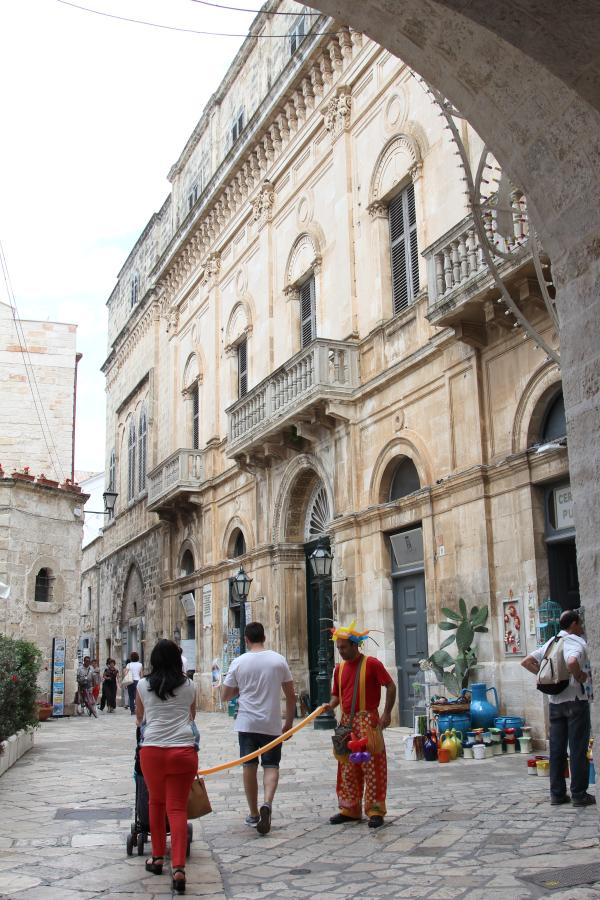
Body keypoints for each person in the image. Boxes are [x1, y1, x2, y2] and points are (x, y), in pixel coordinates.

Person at [221, 621, 295, 835]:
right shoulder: (278, 660)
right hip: (271, 724)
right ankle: (268, 803)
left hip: (246, 723)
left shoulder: (239, 662)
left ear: (246, 639)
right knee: (271, 765)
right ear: (264, 637)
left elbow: (225, 695)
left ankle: (253, 813)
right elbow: (291, 695)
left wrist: (239, 691)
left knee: (249, 767)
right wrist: (288, 722)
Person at [136, 639, 198, 894]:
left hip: (152, 751)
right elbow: (192, 716)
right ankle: (180, 868)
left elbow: (140, 718)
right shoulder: (190, 686)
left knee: (156, 803)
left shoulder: (142, 685)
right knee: (177, 808)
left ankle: (158, 857)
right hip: (183, 750)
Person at [325, 621, 396, 829]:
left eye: (344, 648)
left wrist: (387, 713)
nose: (341, 651)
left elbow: (390, 686)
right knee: (347, 768)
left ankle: (375, 810)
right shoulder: (339, 669)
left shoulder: (372, 664)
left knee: (373, 767)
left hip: (368, 721)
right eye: (338, 648)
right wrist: (329, 706)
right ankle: (349, 809)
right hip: (347, 722)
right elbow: (336, 697)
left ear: (355, 645)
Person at [521, 609, 595, 807]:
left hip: (555, 703)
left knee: (557, 750)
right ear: (573, 625)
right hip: (575, 700)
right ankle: (579, 794)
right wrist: (579, 676)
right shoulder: (573, 641)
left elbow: (526, 661)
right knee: (578, 748)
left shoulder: (551, 643)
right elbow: (571, 661)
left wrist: (547, 678)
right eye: (579, 624)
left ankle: (557, 794)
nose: (580, 627)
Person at [124, 651, 143, 716]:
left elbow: (126, 674)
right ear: (137, 657)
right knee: (137, 697)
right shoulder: (140, 664)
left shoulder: (128, 665)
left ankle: (132, 711)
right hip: (137, 681)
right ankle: (138, 709)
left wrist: (126, 683)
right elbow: (141, 675)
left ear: (131, 658)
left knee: (131, 697)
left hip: (130, 681)